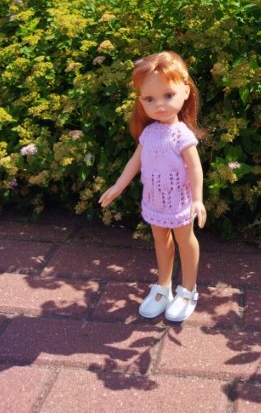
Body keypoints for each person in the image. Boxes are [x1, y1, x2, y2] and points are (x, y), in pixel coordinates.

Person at [99, 50, 207, 322]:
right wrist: (118, 186)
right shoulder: (149, 133)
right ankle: (163, 286)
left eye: (168, 96)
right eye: (149, 99)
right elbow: (134, 162)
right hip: (154, 200)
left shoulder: (182, 135)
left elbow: (195, 168)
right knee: (160, 239)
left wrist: (197, 199)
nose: (159, 104)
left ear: (185, 91)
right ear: (140, 102)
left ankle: (188, 289)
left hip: (180, 201)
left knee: (185, 239)